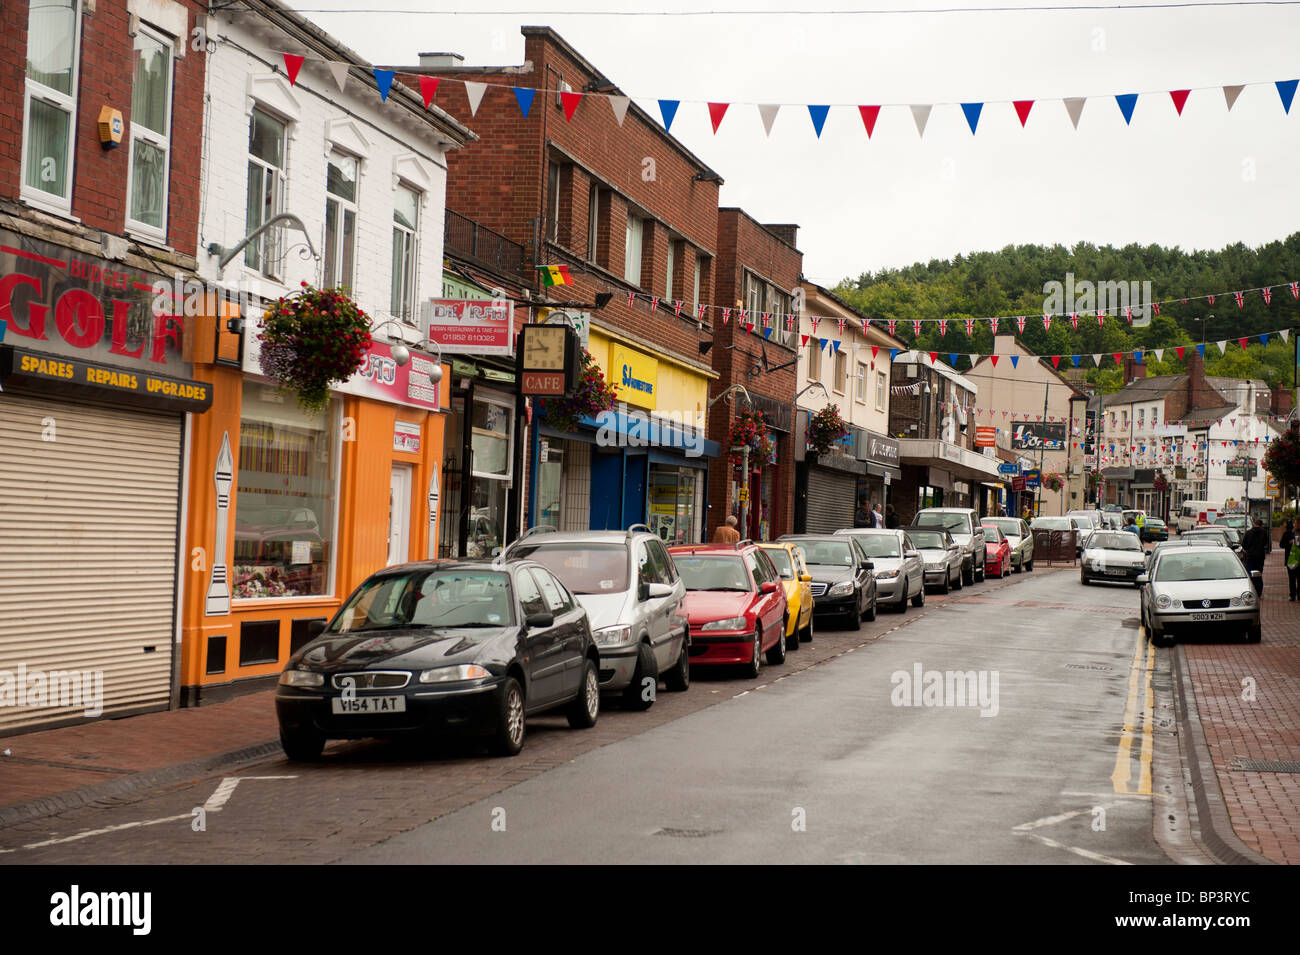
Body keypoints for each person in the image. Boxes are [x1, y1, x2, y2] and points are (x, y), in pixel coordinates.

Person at [1241, 517, 1270, 595]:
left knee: (1250, 573)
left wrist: (1248, 550)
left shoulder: (1248, 532)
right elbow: (1265, 543)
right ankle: (1259, 592)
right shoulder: (1264, 532)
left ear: (1254, 524)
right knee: (1259, 573)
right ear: (1261, 525)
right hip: (1260, 556)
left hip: (1250, 556)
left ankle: (1252, 591)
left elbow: (1243, 545)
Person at [1280, 519, 1299, 601]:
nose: (1297, 525)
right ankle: (1292, 595)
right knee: (1292, 579)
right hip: (1291, 560)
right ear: (1294, 524)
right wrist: (1289, 542)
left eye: (1299, 523)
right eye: (1296, 523)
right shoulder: (1287, 533)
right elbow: (1281, 545)